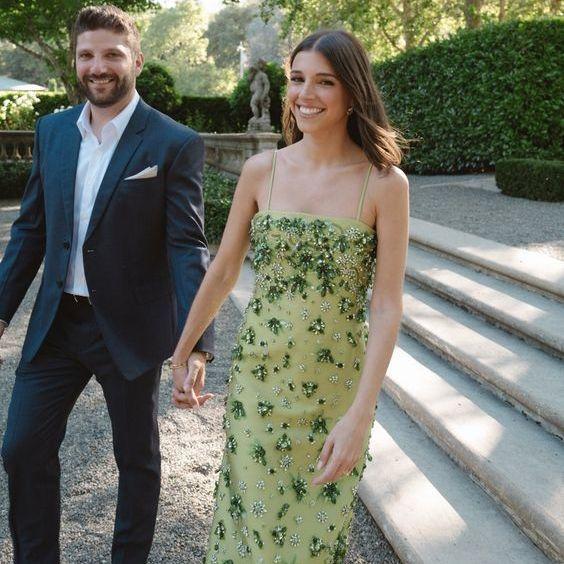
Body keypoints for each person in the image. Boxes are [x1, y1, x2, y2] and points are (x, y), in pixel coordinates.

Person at [171, 29, 408, 562]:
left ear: (353, 93)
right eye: (298, 79)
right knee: (249, 532)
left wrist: (361, 414)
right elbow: (223, 270)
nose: (305, 94)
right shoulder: (262, 170)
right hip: (259, 384)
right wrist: (183, 352)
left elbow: (387, 305)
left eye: (324, 82)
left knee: (311, 542)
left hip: (335, 393)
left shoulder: (384, 183)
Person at [0, 5, 213, 563]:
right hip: (56, 324)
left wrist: (195, 344)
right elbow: (30, 230)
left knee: (135, 459)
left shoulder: (173, 142)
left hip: (130, 326)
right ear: (75, 61)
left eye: (112, 55)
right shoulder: (52, 131)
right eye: (87, 55)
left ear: (136, 60)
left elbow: (187, 247)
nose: (98, 66)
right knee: (21, 449)